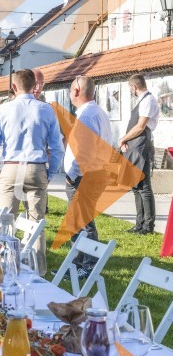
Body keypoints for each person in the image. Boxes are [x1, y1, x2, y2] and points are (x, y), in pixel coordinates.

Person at [0, 69, 64, 275]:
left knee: (5, 219)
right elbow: (57, 147)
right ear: (34, 86)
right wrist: (49, 173)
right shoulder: (46, 109)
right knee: (36, 221)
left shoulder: (3, 110)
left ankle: (3, 266)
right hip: (37, 166)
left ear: (14, 87)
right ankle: (39, 270)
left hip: (11, 166)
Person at [64, 76, 112, 271]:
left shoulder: (87, 115)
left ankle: (88, 265)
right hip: (94, 173)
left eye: (69, 91)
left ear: (76, 91)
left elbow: (85, 151)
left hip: (84, 176)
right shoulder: (97, 111)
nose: (69, 94)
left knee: (83, 223)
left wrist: (72, 175)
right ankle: (78, 264)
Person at [120, 74, 160, 234]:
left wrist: (123, 138)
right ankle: (139, 223)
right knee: (135, 186)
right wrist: (126, 142)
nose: (130, 90)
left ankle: (148, 226)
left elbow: (140, 127)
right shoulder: (142, 100)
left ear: (134, 87)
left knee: (144, 186)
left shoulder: (148, 100)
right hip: (135, 145)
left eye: (130, 88)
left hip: (142, 145)